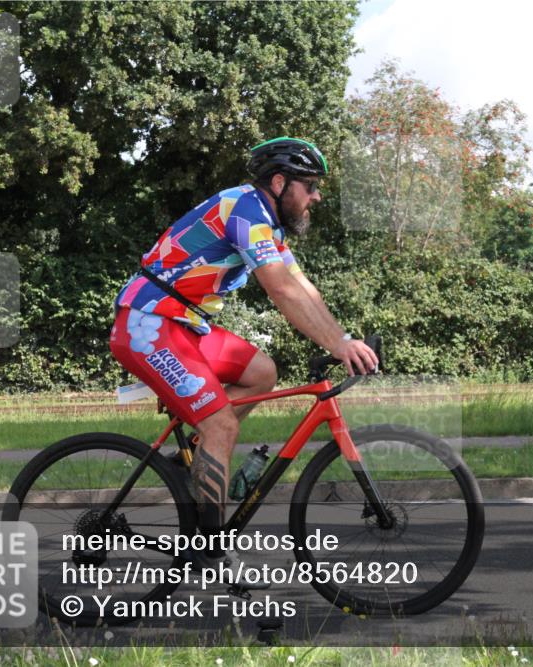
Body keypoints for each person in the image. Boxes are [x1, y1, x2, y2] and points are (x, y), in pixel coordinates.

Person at [109, 137, 378, 573]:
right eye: (309, 185)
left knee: (261, 373)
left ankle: (188, 463)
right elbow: (280, 290)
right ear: (279, 181)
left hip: (183, 325)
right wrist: (338, 346)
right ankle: (209, 548)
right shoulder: (245, 210)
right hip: (148, 323)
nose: (316, 195)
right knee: (221, 423)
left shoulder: (266, 222)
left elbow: (303, 287)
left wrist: (343, 339)